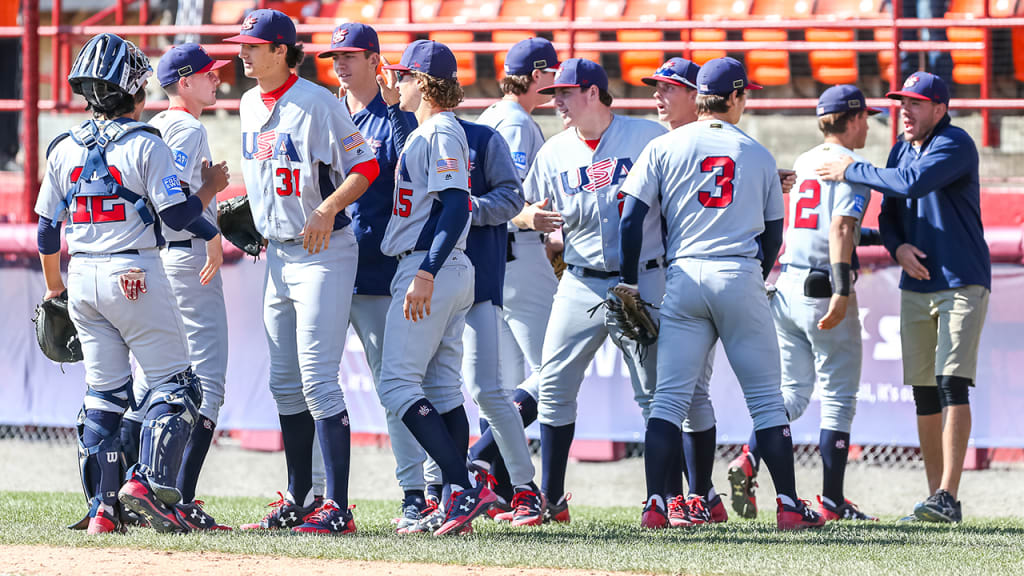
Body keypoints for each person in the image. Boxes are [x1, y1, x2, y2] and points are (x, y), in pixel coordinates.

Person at [619, 57, 825, 530]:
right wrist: (756, 274)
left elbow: (631, 217)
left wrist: (629, 279)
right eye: (743, 93)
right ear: (734, 98)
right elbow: (773, 236)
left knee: (668, 401)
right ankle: (790, 505)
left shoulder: (666, 144)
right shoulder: (756, 153)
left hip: (685, 275)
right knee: (767, 402)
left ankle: (655, 504)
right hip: (737, 272)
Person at [37, 33, 227, 534]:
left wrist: (54, 289)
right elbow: (180, 214)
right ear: (134, 89)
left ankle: (103, 510)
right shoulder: (147, 143)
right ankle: (145, 484)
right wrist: (213, 209)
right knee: (177, 387)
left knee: (103, 395)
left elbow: (45, 230)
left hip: (81, 276)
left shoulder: (61, 147)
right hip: (134, 271)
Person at [224, 9, 380, 534]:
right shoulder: (247, 103)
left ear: (282, 50)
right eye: (241, 44)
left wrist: (327, 206)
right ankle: (299, 497)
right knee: (285, 383)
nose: (242, 53)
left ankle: (337, 508)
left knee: (317, 380)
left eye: (253, 45)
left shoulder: (316, 102)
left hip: (323, 251)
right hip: (277, 254)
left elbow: (367, 166)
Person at [817, 71, 989, 523]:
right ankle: (935, 498)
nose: (905, 111)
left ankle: (948, 495)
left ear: (939, 108)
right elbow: (891, 211)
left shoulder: (956, 143)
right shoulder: (899, 147)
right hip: (917, 283)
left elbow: (911, 183)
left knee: (953, 382)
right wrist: (895, 246)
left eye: (914, 103)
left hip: (960, 279)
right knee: (924, 391)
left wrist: (851, 168)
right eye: (902, 103)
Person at [524, 58, 668, 522]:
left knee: (654, 394)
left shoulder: (647, 138)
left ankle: (660, 499)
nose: (556, 102)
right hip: (580, 280)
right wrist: (530, 219)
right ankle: (551, 498)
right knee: (553, 387)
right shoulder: (553, 152)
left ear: (592, 92)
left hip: (643, 278)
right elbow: (523, 207)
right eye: (553, 95)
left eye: (564, 93)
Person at [731, 85, 882, 523]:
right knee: (838, 394)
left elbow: (819, 225)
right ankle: (832, 501)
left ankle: (749, 456)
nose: (868, 124)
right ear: (851, 119)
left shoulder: (803, 160)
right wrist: (841, 288)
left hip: (788, 281)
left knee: (792, 393)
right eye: (865, 117)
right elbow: (839, 229)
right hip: (822, 285)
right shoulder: (852, 165)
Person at [376, 39, 497, 536]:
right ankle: (454, 502)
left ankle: (462, 486)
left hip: (431, 267)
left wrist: (425, 270)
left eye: (404, 76)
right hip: (444, 267)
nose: (397, 83)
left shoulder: (442, 131)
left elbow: (455, 205)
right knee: (443, 390)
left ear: (423, 83)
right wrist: (391, 106)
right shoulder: (431, 129)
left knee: (396, 384)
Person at [315, 21, 432, 529]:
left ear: (373, 60)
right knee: (310, 383)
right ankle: (314, 496)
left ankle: (415, 493)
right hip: (324, 264)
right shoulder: (326, 113)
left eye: (350, 55)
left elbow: (414, 169)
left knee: (395, 387)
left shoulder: (394, 118)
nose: (339, 64)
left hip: (381, 270)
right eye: (334, 56)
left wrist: (394, 110)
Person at [469, 36, 562, 517]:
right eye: (552, 73)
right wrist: (534, 225)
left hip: (492, 257)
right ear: (535, 76)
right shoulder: (516, 122)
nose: (557, 82)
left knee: (501, 383)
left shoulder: (489, 116)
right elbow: (515, 201)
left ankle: (503, 488)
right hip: (516, 254)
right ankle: (483, 455)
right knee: (557, 367)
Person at [144, 42, 233, 531]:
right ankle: (178, 499)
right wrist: (211, 198)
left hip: (161, 262)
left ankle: (135, 492)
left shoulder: (155, 125)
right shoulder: (184, 125)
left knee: (155, 382)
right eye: (206, 74)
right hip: (186, 257)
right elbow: (175, 207)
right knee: (207, 384)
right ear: (184, 82)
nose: (215, 78)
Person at [637, 57, 727, 527]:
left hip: (689, 278)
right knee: (680, 393)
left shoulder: (689, 145)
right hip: (666, 277)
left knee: (689, 391)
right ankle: (695, 495)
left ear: (698, 94)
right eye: (657, 87)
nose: (658, 95)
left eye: (669, 88)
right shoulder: (666, 144)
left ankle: (694, 493)